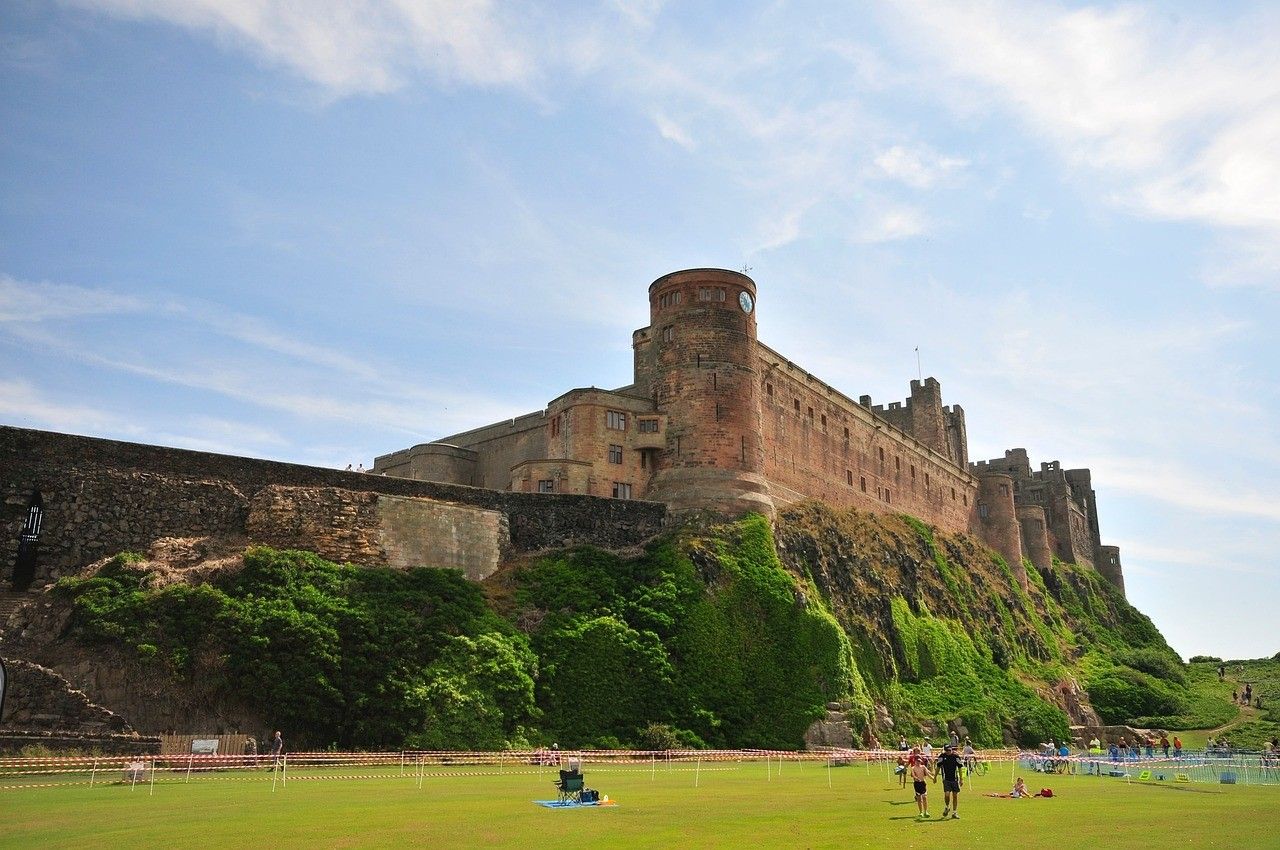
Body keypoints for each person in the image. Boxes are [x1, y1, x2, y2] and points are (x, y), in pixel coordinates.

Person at [934, 743, 964, 819]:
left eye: (949, 750)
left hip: (954, 779)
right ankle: (947, 806)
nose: (948, 752)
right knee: (947, 794)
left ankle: (954, 812)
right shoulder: (942, 757)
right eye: (946, 750)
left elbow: (960, 768)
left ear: (951, 749)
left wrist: (961, 779)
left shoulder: (956, 757)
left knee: (955, 796)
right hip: (946, 779)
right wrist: (935, 777)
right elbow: (938, 767)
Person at [910, 753, 931, 818]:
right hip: (917, 784)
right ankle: (921, 812)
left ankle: (926, 811)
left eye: (919, 761)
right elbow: (913, 775)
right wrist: (916, 778)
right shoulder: (913, 768)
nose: (918, 762)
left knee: (924, 797)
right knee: (919, 798)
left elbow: (928, 774)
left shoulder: (923, 767)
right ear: (914, 761)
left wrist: (933, 778)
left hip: (922, 783)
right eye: (917, 761)